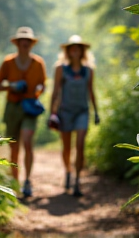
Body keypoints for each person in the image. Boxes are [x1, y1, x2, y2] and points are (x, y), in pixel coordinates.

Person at [0, 26, 46, 197]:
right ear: (17, 44)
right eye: (22, 43)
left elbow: (43, 84)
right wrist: (11, 85)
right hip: (13, 108)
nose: (25, 45)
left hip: (30, 107)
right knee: (14, 148)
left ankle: (28, 181)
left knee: (28, 141)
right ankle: (14, 184)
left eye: (28, 43)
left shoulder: (38, 63)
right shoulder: (8, 62)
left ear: (31, 44)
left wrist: (39, 88)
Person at [49, 35, 100, 197]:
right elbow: (56, 92)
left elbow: (91, 91)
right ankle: (68, 172)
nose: (75, 50)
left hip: (82, 112)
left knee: (80, 145)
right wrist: (52, 112)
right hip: (65, 112)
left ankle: (77, 181)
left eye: (78, 47)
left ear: (82, 50)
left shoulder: (89, 70)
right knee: (66, 148)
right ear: (68, 51)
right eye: (72, 48)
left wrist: (96, 111)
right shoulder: (60, 69)